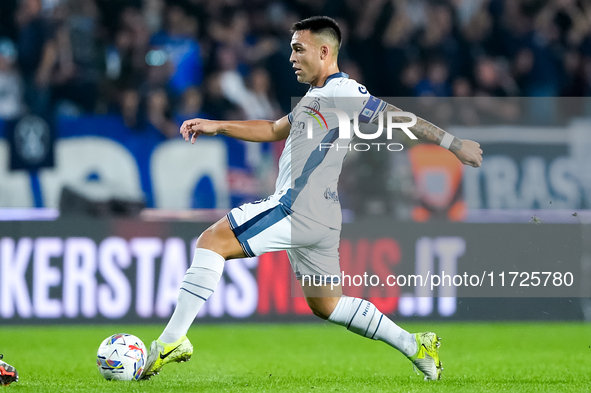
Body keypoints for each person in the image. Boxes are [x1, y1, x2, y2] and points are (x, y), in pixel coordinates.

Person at [141, 16, 483, 382]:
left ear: (324, 51)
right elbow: (274, 129)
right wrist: (217, 125)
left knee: (212, 241)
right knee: (327, 305)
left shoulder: (345, 92)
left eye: (298, 49)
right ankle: (416, 345)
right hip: (321, 216)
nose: (291, 57)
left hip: (296, 207)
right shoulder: (316, 97)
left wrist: (455, 145)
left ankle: (171, 341)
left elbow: (401, 118)